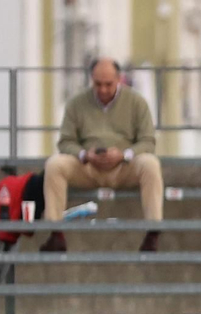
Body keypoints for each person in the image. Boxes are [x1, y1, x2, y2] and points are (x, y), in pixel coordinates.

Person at [41, 57, 162, 253]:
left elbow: (148, 141)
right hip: (88, 168)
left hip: (123, 167)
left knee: (150, 164)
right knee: (55, 165)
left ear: (119, 79)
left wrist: (124, 155)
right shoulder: (76, 104)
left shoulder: (137, 102)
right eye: (98, 84)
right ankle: (56, 233)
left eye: (108, 84)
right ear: (91, 80)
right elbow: (65, 142)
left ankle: (153, 233)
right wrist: (84, 155)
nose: (103, 89)